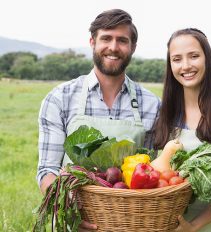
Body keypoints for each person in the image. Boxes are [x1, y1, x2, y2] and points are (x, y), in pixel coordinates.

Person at [36, 9, 160, 231]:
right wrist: (68, 209)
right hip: (73, 221)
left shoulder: (152, 105)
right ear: (92, 42)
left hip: (130, 223)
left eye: (122, 40)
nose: (113, 47)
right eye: (106, 38)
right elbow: (47, 170)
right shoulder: (60, 98)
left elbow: (154, 173)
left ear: (132, 47)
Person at [153, 28, 211, 232]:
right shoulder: (166, 112)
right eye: (177, 59)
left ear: (207, 59)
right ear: (170, 65)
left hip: (209, 226)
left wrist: (192, 227)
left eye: (194, 56)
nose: (186, 66)